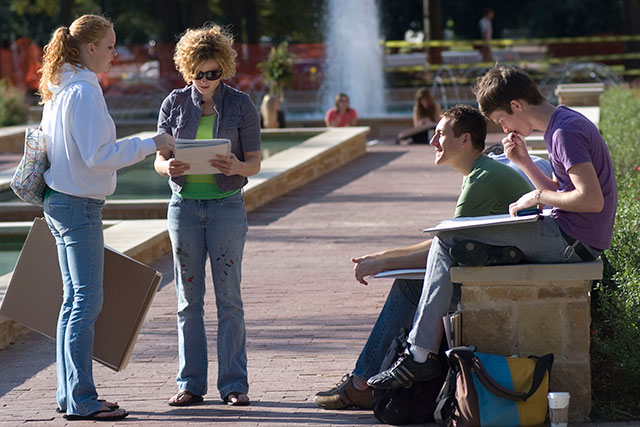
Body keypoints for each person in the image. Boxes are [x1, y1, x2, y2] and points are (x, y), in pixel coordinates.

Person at [367, 65, 617, 390]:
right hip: (568, 234)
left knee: (447, 239)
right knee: (455, 241)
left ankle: (419, 356)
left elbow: (590, 199)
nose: (504, 128)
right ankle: (421, 351)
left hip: (569, 241)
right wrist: (524, 163)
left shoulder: (564, 132)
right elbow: (565, 187)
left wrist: (537, 195)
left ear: (516, 105)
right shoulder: (563, 123)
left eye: (502, 120)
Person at [314, 105, 532, 409]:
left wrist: (383, 261)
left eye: (440, 134)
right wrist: (383, 257)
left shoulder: (481, 179)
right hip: (503, 271)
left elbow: (442, 248)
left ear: (465, 139)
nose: (432, 141)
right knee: (411, 283)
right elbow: (447, 244)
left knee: (407, 285)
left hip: (507, 282)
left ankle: (363, 383)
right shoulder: (482, 172)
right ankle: (363, 381)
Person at [38, 14, 174, 421]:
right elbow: (100, 156)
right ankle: (81, 399)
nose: (116, 54)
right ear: (91, 47)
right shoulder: (82, 91)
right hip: (77, 205)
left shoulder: (62, 88)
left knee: (73, 302)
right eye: (111, 46)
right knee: (85, 301)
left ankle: (71, 395)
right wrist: (152, 143)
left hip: (60, 201)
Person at [155, 24, 261, 408]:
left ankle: (234, 384)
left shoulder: (241, 105)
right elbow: (159, 157)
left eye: (213, 73)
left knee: (229, 299)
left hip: (226, 207)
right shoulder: (173, 103)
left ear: (224, 70)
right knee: (188, 300)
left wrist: (236, 165)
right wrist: (166, 168)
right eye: (198, 73)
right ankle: (190, 384)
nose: (204, 80)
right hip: (183, 207)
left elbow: (255, 163)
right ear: (188, 69)